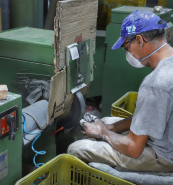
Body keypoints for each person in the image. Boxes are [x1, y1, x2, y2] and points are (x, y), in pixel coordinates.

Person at [67, 10, 173, 172]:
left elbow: (133, 149)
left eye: (126, 47)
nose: (128, 54)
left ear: (140, 40)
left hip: (165, 158)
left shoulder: (154, 84)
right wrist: (111, 128)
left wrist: (103, 133)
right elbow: (150, 114)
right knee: (108, 121)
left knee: (77, 148)